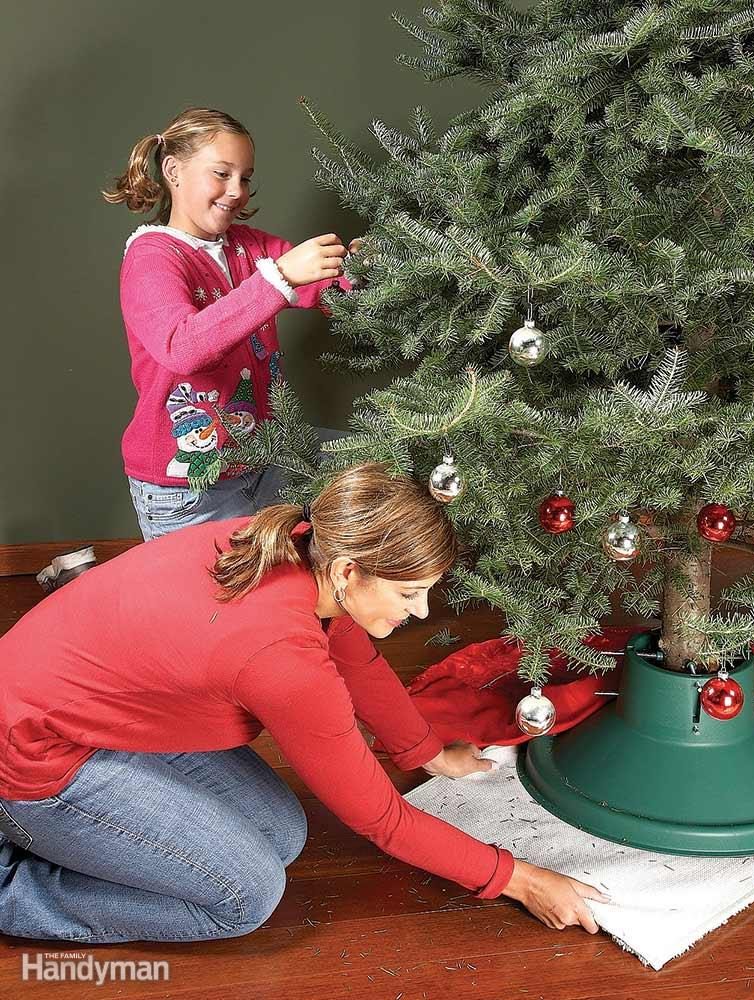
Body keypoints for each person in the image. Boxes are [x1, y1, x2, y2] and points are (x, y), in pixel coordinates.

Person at [0, 464, 608, 943]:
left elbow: (358, 658)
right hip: (29, 756)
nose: (420, 612)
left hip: (82, 707)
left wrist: (425, 753)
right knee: (244, 897)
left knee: (283, 834)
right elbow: (382, 821)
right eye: (409, 593)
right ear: (348, 571)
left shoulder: (295, 545)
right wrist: (520, 880)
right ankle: (12, 886)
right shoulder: (282, 660)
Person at [102, 107, 360, 540]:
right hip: (189, 487)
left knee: (365, 467)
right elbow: (182, 348)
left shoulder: (250, 246)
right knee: (215, 605)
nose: (236, 191)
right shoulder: (152, 257)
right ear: (173, 171)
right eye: (221, 174)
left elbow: (327, 289)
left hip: (266, 460)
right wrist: (278, 278)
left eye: (245, 177)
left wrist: (366, 270)